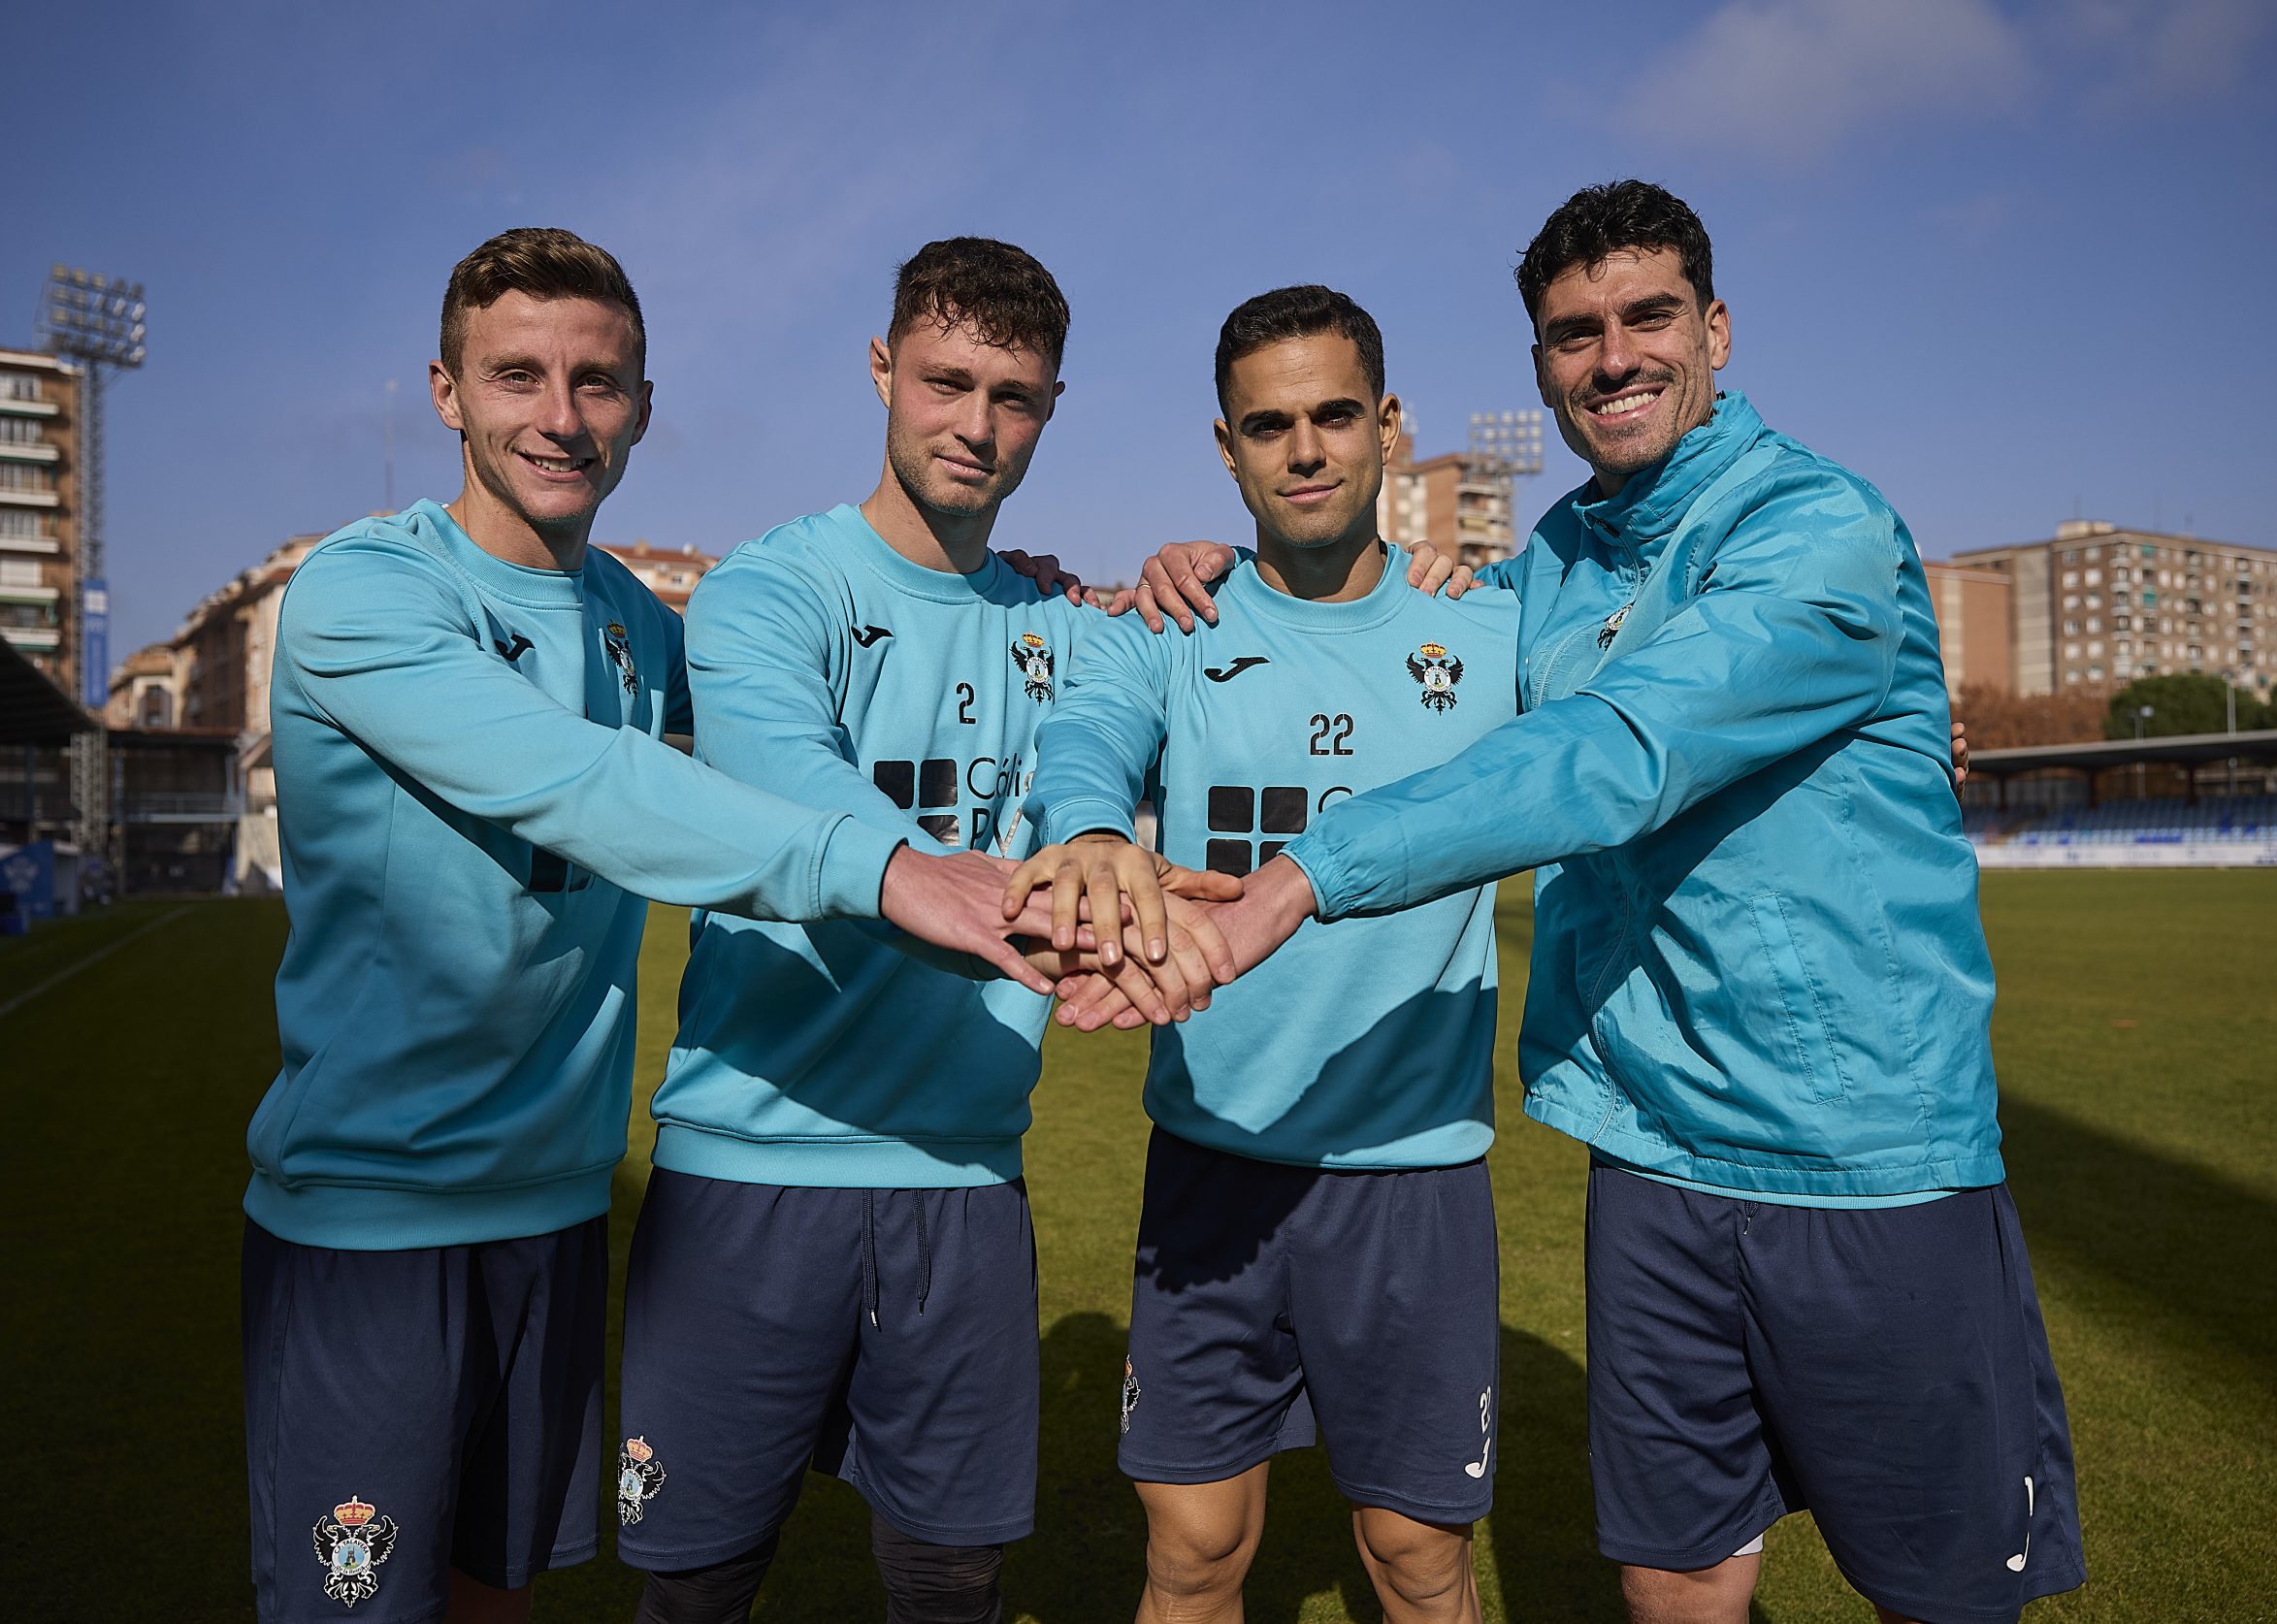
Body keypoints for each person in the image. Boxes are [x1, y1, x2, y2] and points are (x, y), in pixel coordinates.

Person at [1057, 182, 2082, 1624]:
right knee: (1673, 1578)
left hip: (1861, 1153)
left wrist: (1293, 884)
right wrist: (1187, 571)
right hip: (1650, 1150)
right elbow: (1357, 644)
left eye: (1647, 316)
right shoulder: (1544, 573)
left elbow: (1615, 754)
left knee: (1939, 1584)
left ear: (1715, 329)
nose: (1612, 357)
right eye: (1572, 332)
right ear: (1540, 362)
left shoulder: (1821, 530)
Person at [241, 227, 1046, 1624]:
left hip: (555, 1212)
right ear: (447, 392)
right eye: (519, 375)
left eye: (598, 383)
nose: (561, 415)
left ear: (642, 408)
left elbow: (788, 720)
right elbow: (590, 786)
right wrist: (889, 870)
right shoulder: (363, 593)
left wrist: (1058, 593)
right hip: (374, 1223)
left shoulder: (637, 624)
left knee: (503, 1601)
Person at [614, 237, 1271, 1624]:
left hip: (965, 1181)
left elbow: (1182, 694)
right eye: (947, 380)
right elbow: (789, 781)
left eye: (1016, 396)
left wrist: (1226, 568)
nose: (978, 425)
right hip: (750, 1167)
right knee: (693, 1586)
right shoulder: (766, 592)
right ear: (881, 368)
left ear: (1050, 408)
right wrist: (981, 886)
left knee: (951, 1586)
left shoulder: (1069, 624)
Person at [1017, 286, 1513, 1623]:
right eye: (1269, 424)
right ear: (1226, 449)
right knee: (1192, 1555)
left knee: (1419, 1560)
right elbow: (1086, 739)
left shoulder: (1494, 629)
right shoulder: (1167, 620)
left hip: (1412, 1178)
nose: (1305, 449)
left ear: (1390, 427)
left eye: (1335, 414)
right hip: (1214, 1166)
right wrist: (1091, 833)